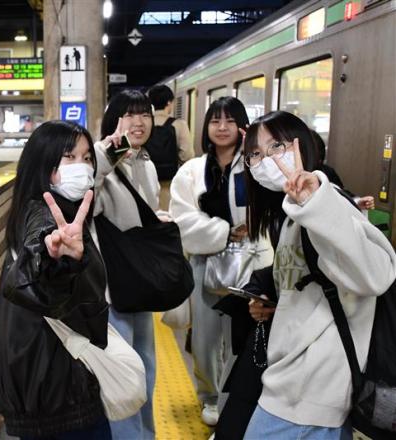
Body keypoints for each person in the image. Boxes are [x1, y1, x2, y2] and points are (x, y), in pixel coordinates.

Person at [241, 110, 396, 439]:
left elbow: (377, 275)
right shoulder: (289, 215)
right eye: (255, 153)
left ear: (302, 147)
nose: (265, 159)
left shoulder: (325, 204)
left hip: (309, 389)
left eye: (276, 146)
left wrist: (315, 202)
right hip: (299, 384)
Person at [0, 120, 111, 439]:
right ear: (44, 165)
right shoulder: (44, 214)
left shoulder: (54, 207)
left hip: (50, 381)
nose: (81, 167)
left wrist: (124, 143)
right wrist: (57, 262)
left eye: (87, 158)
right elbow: (40, 264)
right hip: (59, 389)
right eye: (69, 157)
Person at [169, 97, 273, 427]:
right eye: (216, 121)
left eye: (230, 120)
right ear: (207, 127)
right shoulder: (193, 170)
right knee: (206, 338)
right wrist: (225, 231)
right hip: (206, 263)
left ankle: (242, 398)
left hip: (254, 262)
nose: (223, 127)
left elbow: (272, 206)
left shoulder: (257, 166)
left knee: (247, 333)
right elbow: (182, 220)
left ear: (243, 127)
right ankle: (210, 397)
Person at [93, 89, 164, 439]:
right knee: (124, 374)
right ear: (114, 120)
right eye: (129, 114)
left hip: (142, 281)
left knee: (147, 367)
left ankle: (145, 434)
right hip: (112, 287)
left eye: (145, 114)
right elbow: (84, 200)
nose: (139, 122)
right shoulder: (102, 160)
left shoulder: (146, 164)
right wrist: (111, 153)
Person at [146, 84, 195, 210]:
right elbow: (187, 155)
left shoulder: (144, 124)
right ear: (169, 103)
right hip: (169, 184)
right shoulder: (179, 124)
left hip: (146, 183)